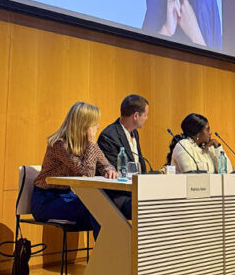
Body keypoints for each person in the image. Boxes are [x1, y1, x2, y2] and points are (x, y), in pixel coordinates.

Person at [32, 102, 119, 235]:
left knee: (105, 208)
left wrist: (109, 170)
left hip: (68, 196)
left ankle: (109, 248)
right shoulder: (60, 144)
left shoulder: (86, 145)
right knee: (98, 210)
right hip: (47, 201)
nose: (98, 126)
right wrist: (91, 141)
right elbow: (88, 172)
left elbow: (105, 164)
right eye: (95, 123)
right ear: (84, 125)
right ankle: (107, 248)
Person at [98, 94, 150, 173]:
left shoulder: (135, 132)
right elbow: (113, 168)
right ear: (136, 116)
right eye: (145, 115)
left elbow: (139, 162)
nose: (146, 118)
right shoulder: (108, 136)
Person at [167, 113, 232, 173]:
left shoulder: (210, 148)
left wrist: (217, 147)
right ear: (197, 133)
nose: (210, 133)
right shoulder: (183, 145)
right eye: (207, 129)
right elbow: (191, 175)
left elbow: (227, 172)